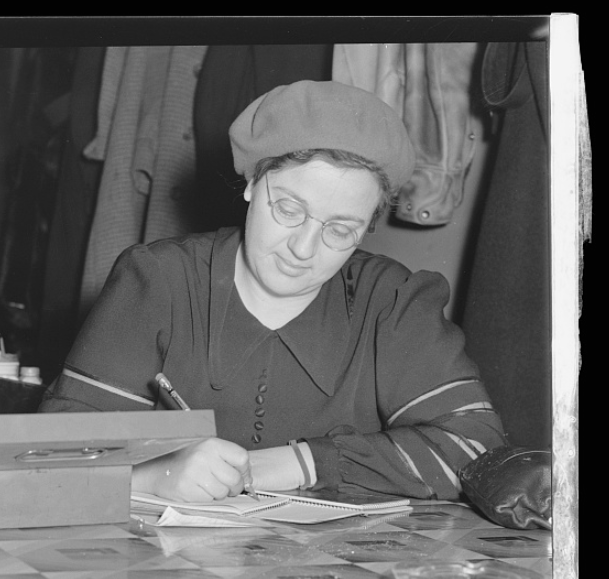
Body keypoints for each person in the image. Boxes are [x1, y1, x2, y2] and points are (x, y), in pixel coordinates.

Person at [39, 80, 506, 503]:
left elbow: (475, 448)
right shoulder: (157, 281)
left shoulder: (392, 301)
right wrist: (150, 476)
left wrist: (301, 463)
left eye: (341, 230)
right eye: (287, 209)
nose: (303, 248)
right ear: (251, 183)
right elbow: (48, 458)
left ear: (367, 229)